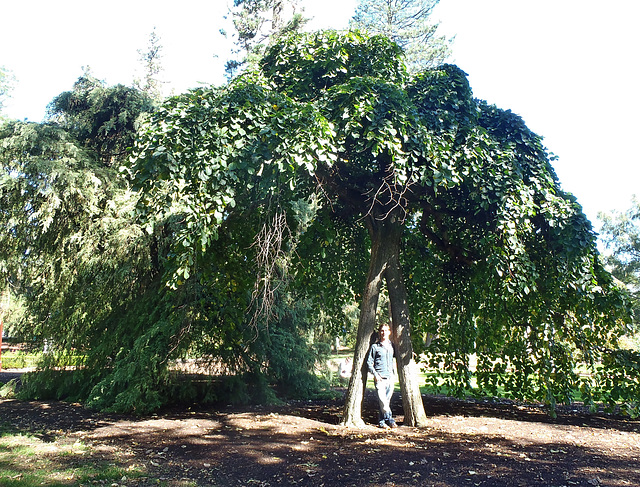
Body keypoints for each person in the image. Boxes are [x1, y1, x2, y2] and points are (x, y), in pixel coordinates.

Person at [366, 322, 398, 429]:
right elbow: (369, 363)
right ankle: (391, 420)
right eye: (382, 331)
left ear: (389, 332)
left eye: (386, 330)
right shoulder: (375, 347)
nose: (384, 333)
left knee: (385, 402)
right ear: (379, 332)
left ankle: (382, 422)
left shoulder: (392, 346)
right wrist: (375, 375)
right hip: (380, 379)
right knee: (384, 403)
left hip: (390, 378)